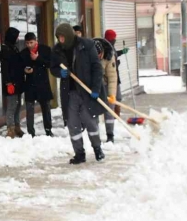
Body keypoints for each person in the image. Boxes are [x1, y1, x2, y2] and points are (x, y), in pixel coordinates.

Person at [52, 23, 106, 164]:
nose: (61, 40)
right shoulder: (57, 50)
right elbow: (53, 68)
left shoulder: (86, 45)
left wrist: (95, 89)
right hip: (69, 93)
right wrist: (60, 73)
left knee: (91, 123)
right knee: (73, 124)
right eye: (59, 38)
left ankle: (97, 149)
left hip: (86, 92)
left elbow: (97, 68)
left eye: (63, 37)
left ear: (69, 35)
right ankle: (79, 153)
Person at [21, 32, 54, 137]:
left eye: (31, 42)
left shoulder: (45, 50)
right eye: (27, 43)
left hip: (42, 83)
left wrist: (38, 59)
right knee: (29, 108)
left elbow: (50, 64)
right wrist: (25, 70)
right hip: (30, 84)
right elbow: (20, 66)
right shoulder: (24, 53)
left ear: (36, 41)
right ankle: (30, 131)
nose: (29, 45)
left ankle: (48, 129)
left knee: (46, 108)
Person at [0, 27, 24, 139]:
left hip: (18, 81)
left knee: (18, 104)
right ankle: (10, 128)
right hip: (11, 83)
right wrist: (8, 82)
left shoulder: (14, 48)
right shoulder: (5, 50)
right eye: (16, 37)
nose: (17, 39)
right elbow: (5, 69)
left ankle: (17, 126)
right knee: (12, 105)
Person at [94, 38, 118, 142]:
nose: (99, 57)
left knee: (109, 109)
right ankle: (95, 137)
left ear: (103, 51)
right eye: (96, 55)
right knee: (93, 111)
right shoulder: (88, 56)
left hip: (105, 84)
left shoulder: (109, 56)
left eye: (100, 55)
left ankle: (110, 135)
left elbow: (112, 78)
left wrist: (112, 94)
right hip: (93, 86)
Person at [104, 29, 129, 117]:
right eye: (114, 38)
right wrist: (115, 64)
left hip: (116, 77)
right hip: (110, 79)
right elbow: (108, 62)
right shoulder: (106, 48)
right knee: (113, 98)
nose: (115, 40)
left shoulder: (111, 47)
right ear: (110, 38)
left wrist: (121, 52)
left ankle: (117, 115)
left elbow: (114, 55)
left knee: (118, 98)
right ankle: (113, 116)